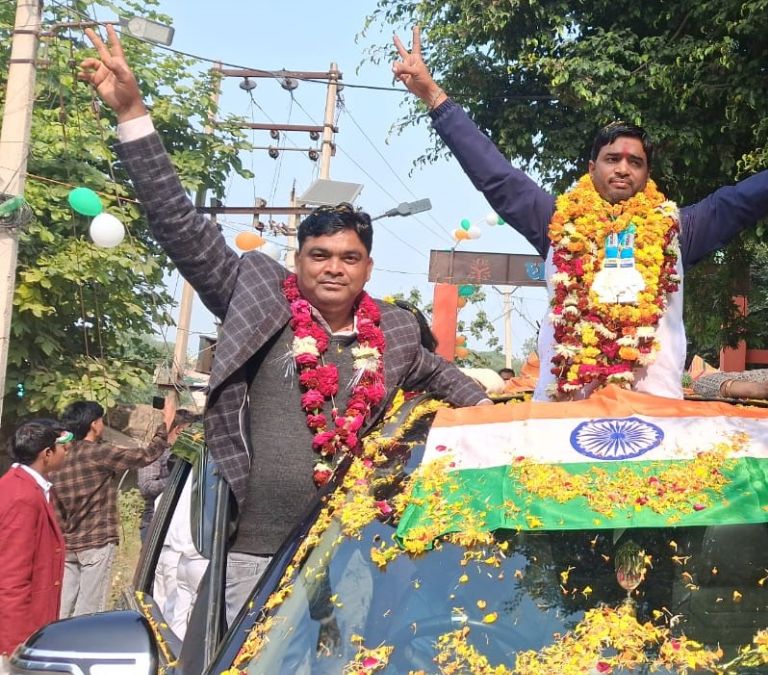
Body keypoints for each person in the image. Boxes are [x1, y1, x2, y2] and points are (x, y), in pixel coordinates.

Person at [79, 25, 490, 618]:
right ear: (297, 261)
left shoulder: (397, 332)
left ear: (368, 268)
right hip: (252, 560)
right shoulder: (259, 296)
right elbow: (181, 227)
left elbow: (459, 388)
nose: (333, 269)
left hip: (357, 559)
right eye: (319, 256)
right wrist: (134, 114)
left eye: (348, 258)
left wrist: (514, 433)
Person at [391, 26, 768, 429]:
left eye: (635, 162)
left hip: (654, 419)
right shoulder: (557, 221)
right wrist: (434, 96)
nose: (623, 169)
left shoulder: (678, 229)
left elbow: (748, 199)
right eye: (612, 158)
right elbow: (495, 175)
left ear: (647, 174)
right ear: (591, 166)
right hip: (563, 415)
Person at [55, 400, 179, 617]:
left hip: (68, 544)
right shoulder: (97, 453)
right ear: (94, 424)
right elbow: (146, 455)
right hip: (96, 541)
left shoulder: (62, 456)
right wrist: (165, 424)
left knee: (63, 608)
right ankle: (86, 648)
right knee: (90, 611)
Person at [0, 420, 71, 657]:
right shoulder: (23, 498)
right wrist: (18, 647)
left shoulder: (26, 485)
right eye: (63, 445)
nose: (68, 450)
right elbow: (12, 578)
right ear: (47, 453)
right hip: (21, 633)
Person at [138, 409, 200, 541]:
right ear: (179, 429)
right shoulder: (154, 452)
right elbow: (146, 487)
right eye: (191, 431)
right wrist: (178, 479)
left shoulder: (190, 454)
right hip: (155, 524)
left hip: (182, 527)